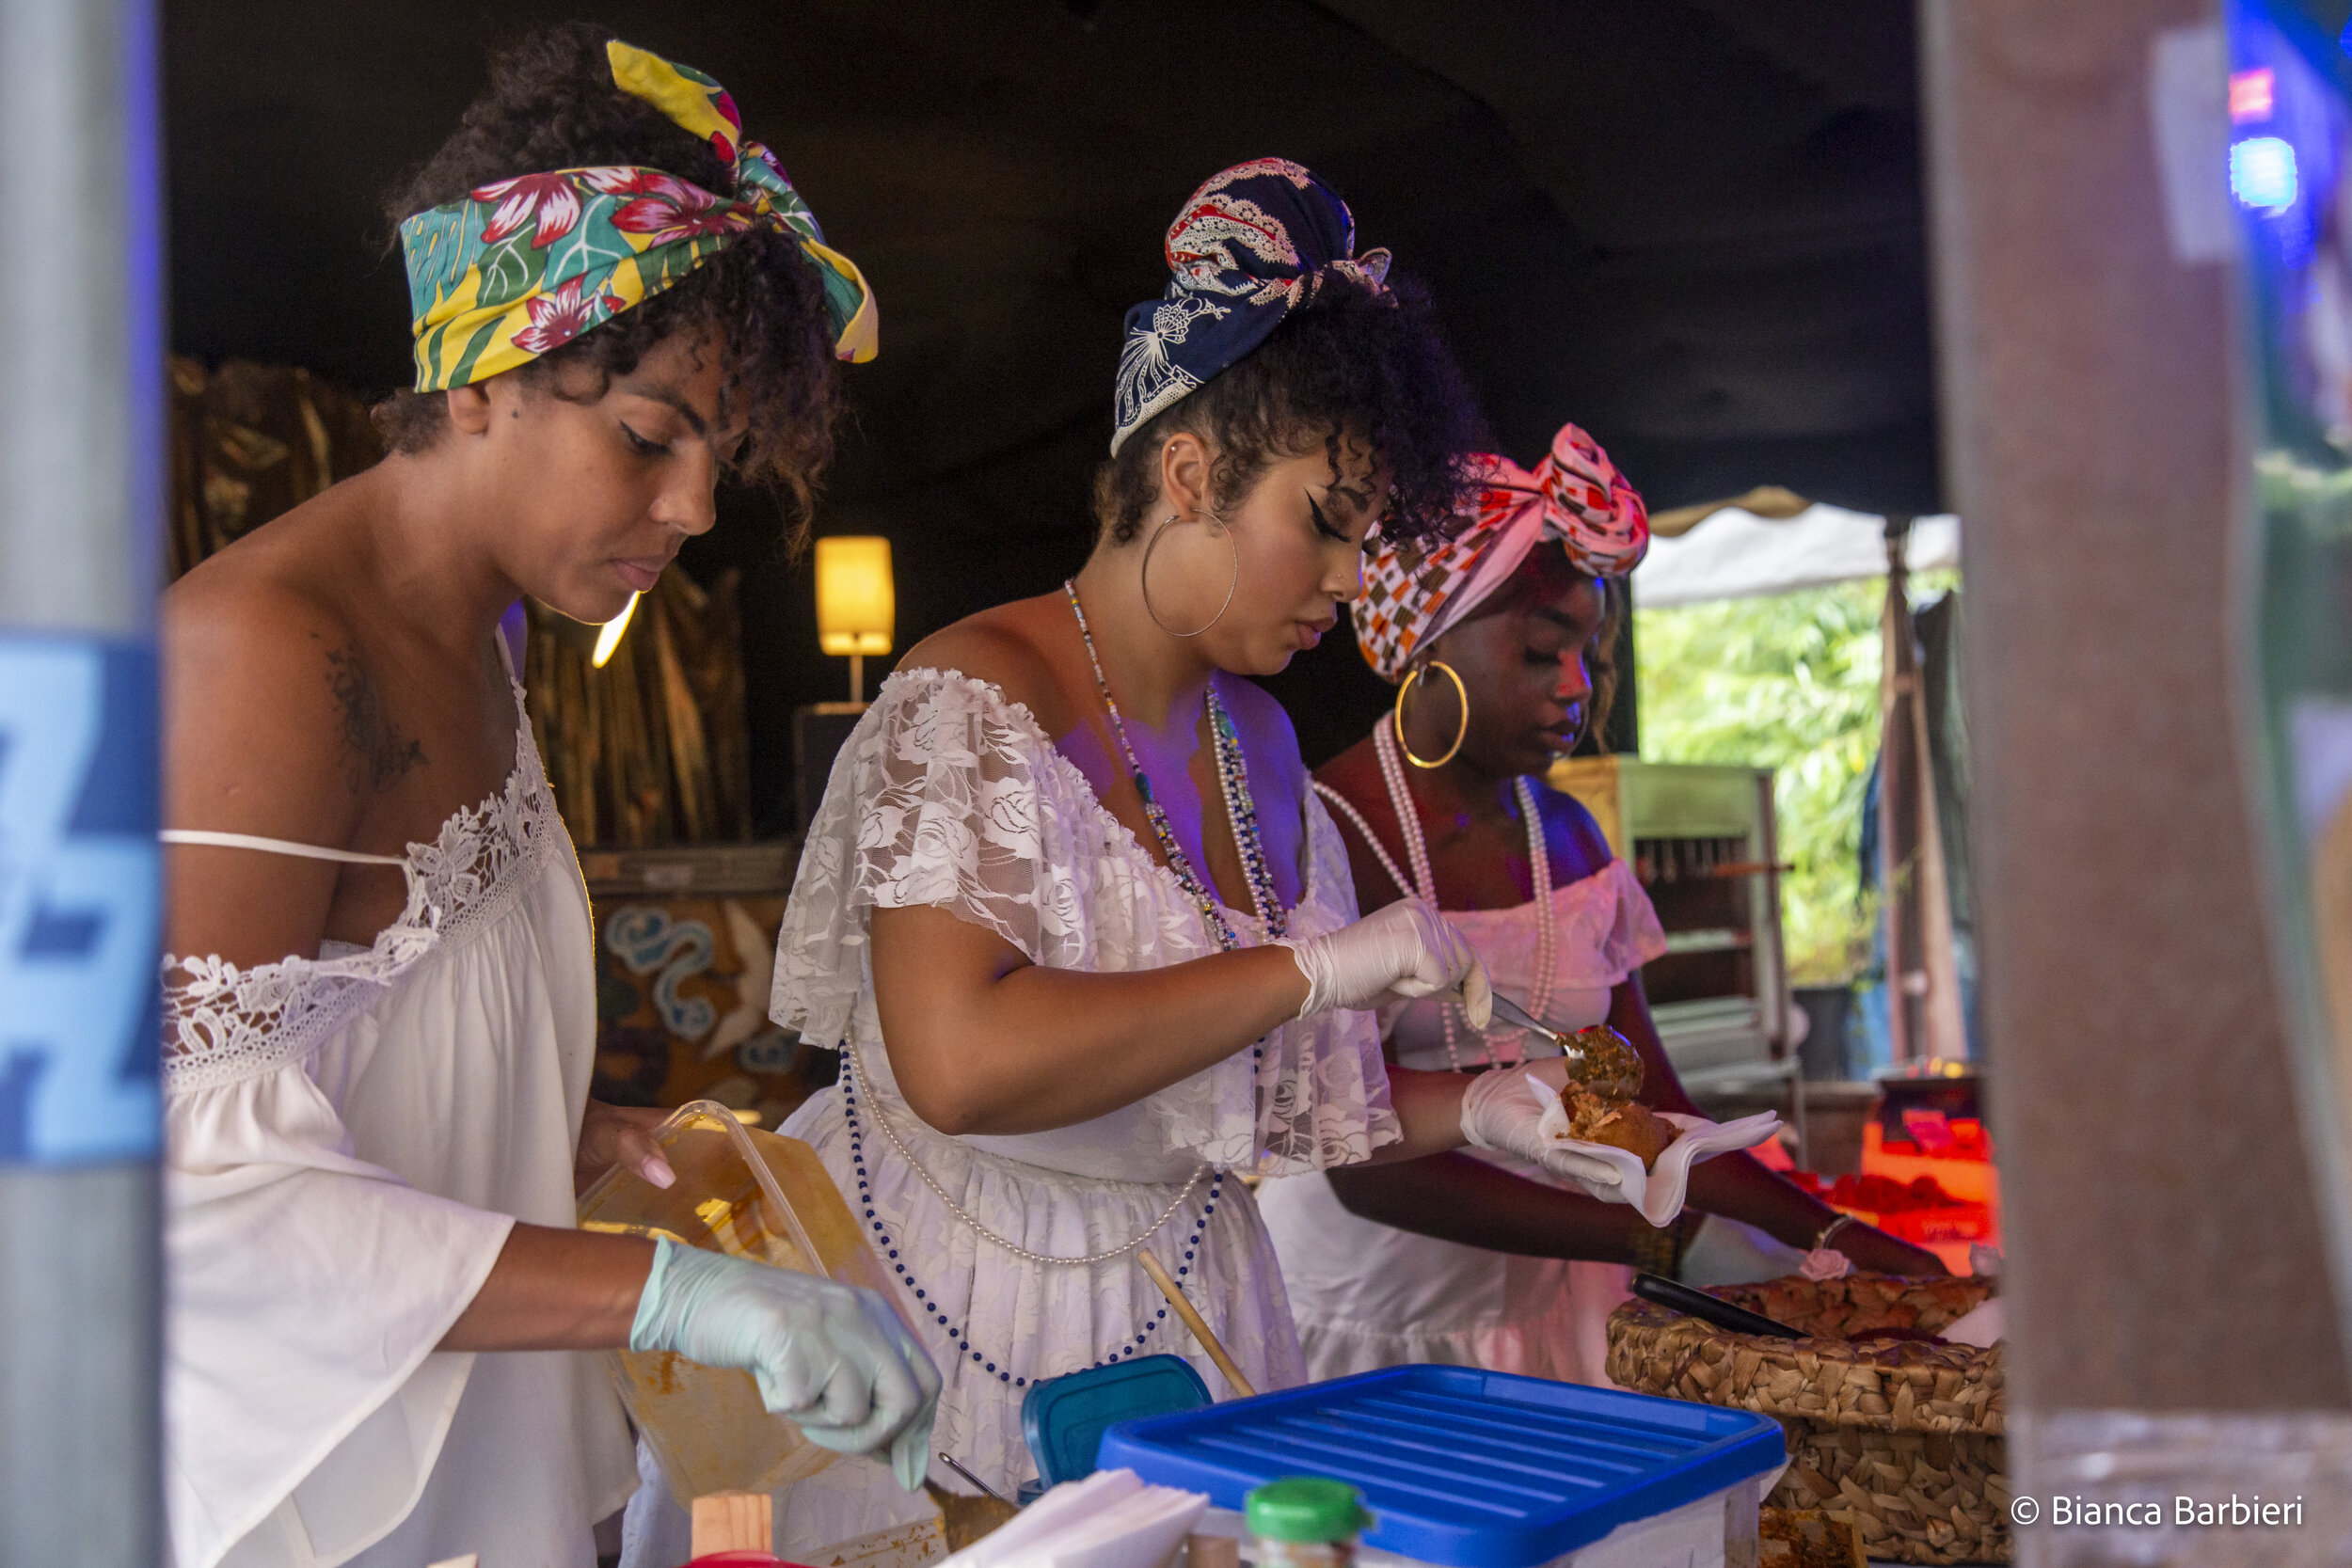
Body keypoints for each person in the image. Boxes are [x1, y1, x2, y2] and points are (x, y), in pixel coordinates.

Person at [622, 158, 1621, 1561]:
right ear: (1192, 471)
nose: (1347, 582)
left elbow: (1262, 1101)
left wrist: (1485, 1108)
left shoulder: (1266, 742)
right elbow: (958, 1063)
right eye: (1326, 523)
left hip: (1188, 1312)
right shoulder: (972, 693)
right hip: (929, 1296)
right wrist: (1307, 968)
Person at [160, 30, 937, 1568]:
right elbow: (161, 1190)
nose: (694, 509)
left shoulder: (484, 635)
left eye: (719, 457)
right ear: (481, 373)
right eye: (648, 437)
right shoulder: (263, 654)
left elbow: (332, 1038)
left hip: (469, 1443)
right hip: (303, 1492)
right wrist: (673, 1295)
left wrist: (540, 1118)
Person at [1258, 422, 1949, 1386]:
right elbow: (1363, 1158)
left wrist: (1828, 1229)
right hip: (1376, 1330)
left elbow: (1653, 1107)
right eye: (1543, 653)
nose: (1576, 687)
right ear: (1428, 640)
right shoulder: (1319, 830)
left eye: (1588, 649)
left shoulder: (1569, 837)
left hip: (1555, 1306)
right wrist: (1662, 1239)